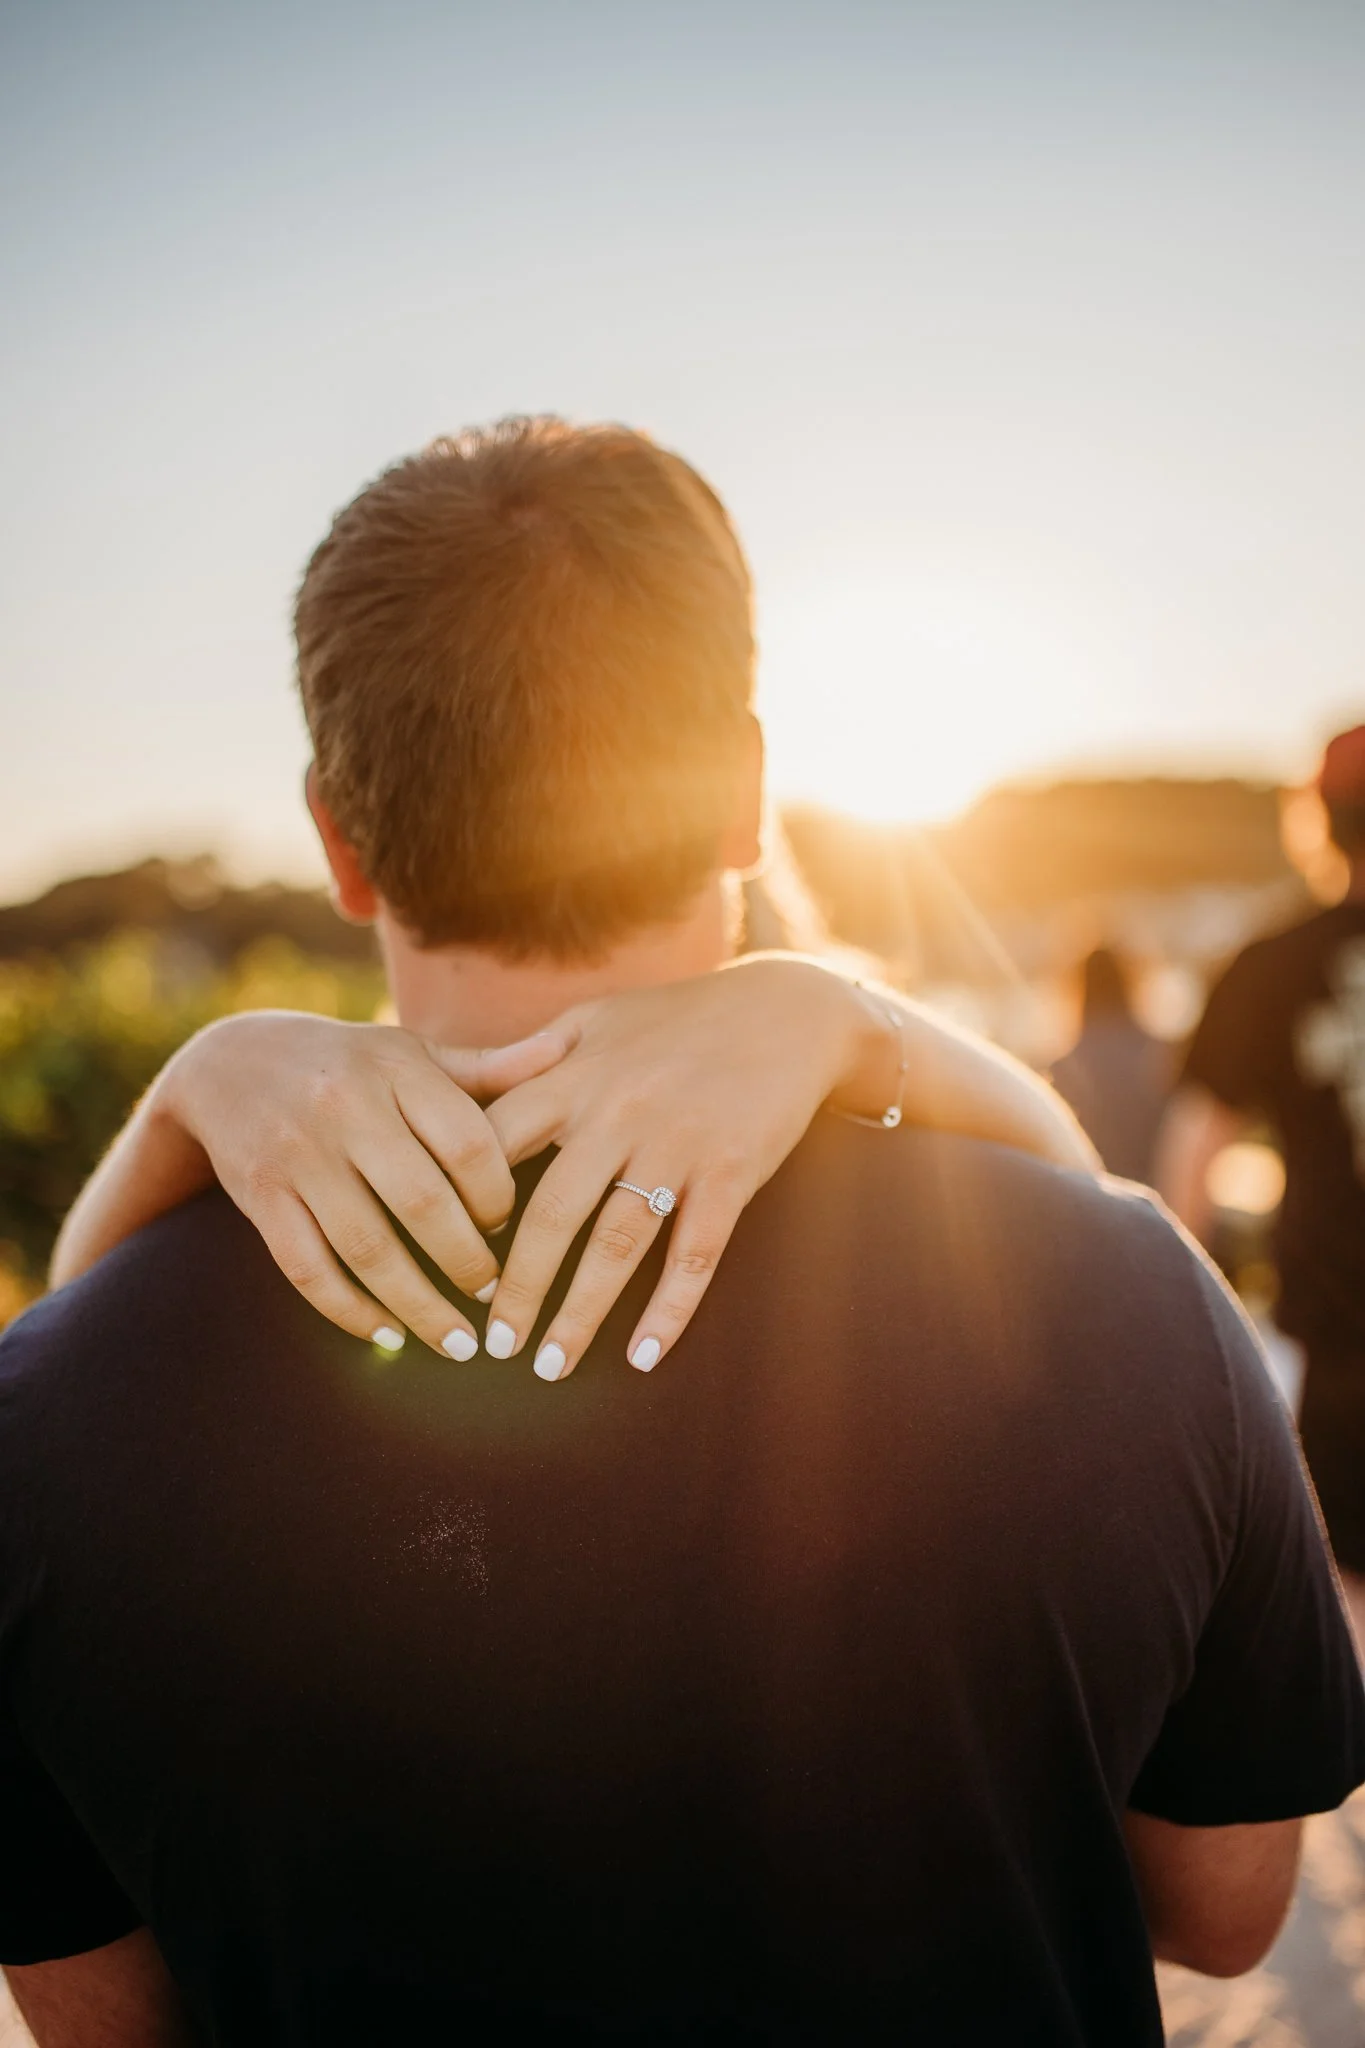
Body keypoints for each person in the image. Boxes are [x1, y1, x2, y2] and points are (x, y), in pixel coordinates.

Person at [3, 419, 1363, 2047]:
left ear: (339, 841)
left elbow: (104, 2018)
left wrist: (175, 1109)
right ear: (744, 795)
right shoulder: (1129, 1290)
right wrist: (866, 1028)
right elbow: (1228, 1907)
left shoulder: (48, 1417)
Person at [1158, 723, 1365, 1646]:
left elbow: (1194, 1146)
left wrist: (1175, 1307)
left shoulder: (1271, 964)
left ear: (1318, 821)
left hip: (1344, 1333)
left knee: (1348, 1600)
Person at [1051, 947, 1171, 1182]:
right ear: (1129, 985)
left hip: (1096, 1200)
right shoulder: (1163, 1056)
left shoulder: (1062, 1069)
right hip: (1161, 1199)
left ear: (1079, 990)